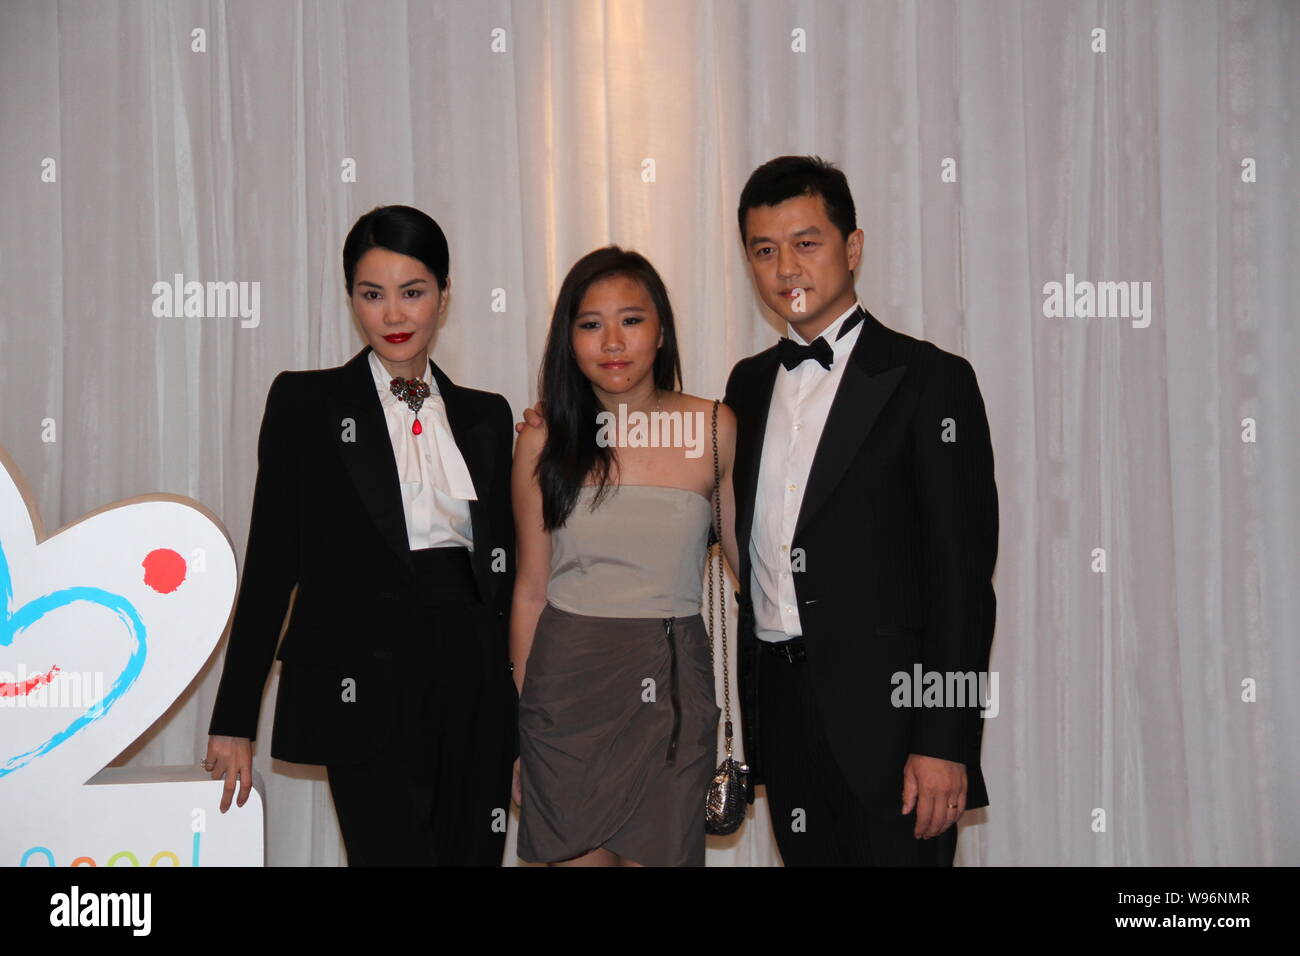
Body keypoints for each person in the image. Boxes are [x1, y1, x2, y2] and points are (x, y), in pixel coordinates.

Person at [204, 205, 518, 866]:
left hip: (472, 678)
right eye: (373, 295)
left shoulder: (486, 416)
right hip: (361, 681)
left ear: (445, 295)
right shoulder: (304, 404)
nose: (395, 315)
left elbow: (510, 575)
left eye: (413, 292)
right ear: (351, 300)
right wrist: (234, 718)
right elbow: (270, 566)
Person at [723, 155, 999, 865]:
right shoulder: (747, 387)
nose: (785, 266)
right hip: (783, 719)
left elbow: (962, 582)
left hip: (896, 730)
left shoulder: (932, 381)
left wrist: (945, 741)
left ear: (852, 248)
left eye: (805, 242)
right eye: (763, 249)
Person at [510, 246, 738, 867]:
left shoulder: (714, 427)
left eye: (631, 320)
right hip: (566, 693)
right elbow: (530, 589)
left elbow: (753, 572)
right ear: (570, 339)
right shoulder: (541, 439)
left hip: (671, 686)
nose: (612, 341)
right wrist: (523, 731)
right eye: (590, 324)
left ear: (661, 330)